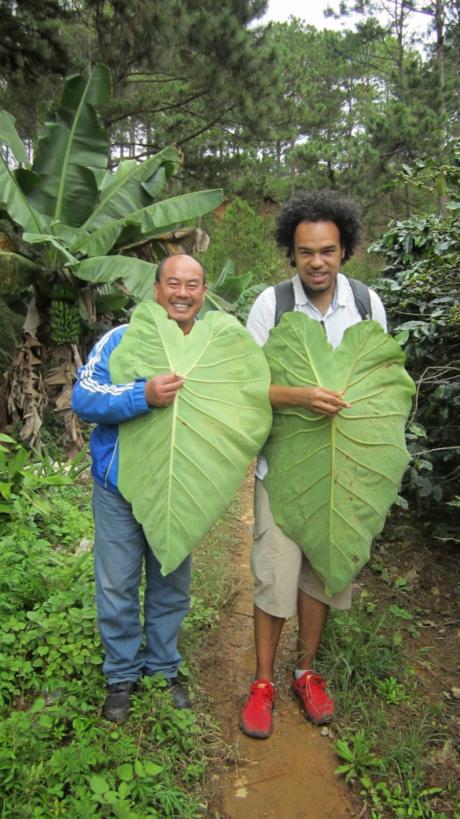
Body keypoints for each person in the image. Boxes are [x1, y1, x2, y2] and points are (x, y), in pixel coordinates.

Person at [240, 190, 387, 739]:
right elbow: (246, 388)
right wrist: (300, 396)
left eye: (327, 250)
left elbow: (379, 381)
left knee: (322, 574)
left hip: (345, 468)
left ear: (345, 250)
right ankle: (262, 683)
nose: (317, 262)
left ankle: (306, 672)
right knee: (275, 575)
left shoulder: (368, 306)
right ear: (291, 254)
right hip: (282, 468)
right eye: (305, 252)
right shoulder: (271, 306)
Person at [72, 254, 207, 723]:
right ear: (156, 289)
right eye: (173, 283)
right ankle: (122, 674)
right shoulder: (121, 339)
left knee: (171, 580)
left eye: (192, 284)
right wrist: (141, 395)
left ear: (202, 294)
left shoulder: (212, 349)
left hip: (181, 484)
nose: (182, 293)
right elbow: (83, 398)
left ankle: (164, 666)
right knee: (117, 583)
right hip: (118, 489)